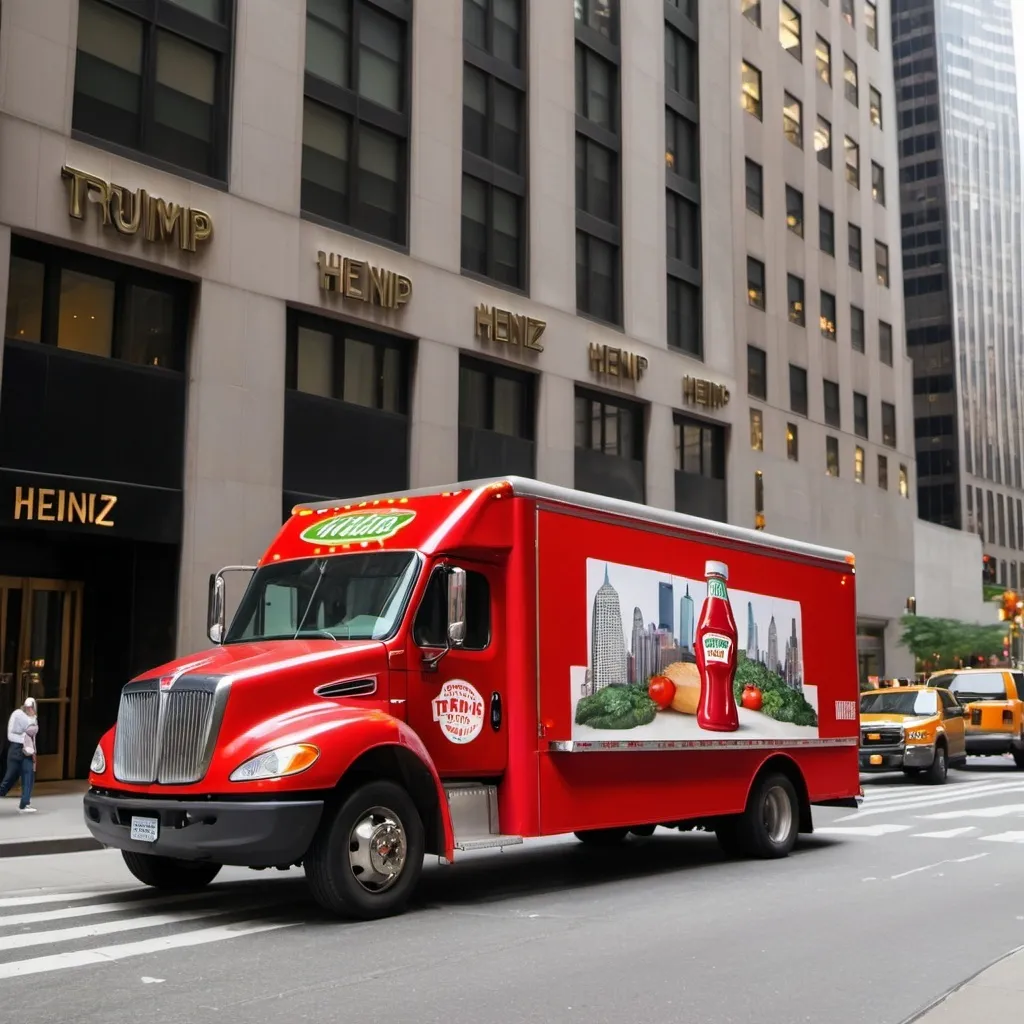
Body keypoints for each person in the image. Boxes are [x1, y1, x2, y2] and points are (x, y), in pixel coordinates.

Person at [0, 697, 38, 813]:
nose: (29, 709)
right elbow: (10, 735)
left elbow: (33, 738)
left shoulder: (34, 718)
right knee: (10, 777)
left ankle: (24, 803)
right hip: (16, 749)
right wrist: (24, 739)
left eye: (31, 707)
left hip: (28, 750)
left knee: (28, 776)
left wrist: (33, 751)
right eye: (28, 707)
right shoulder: (17, 715)